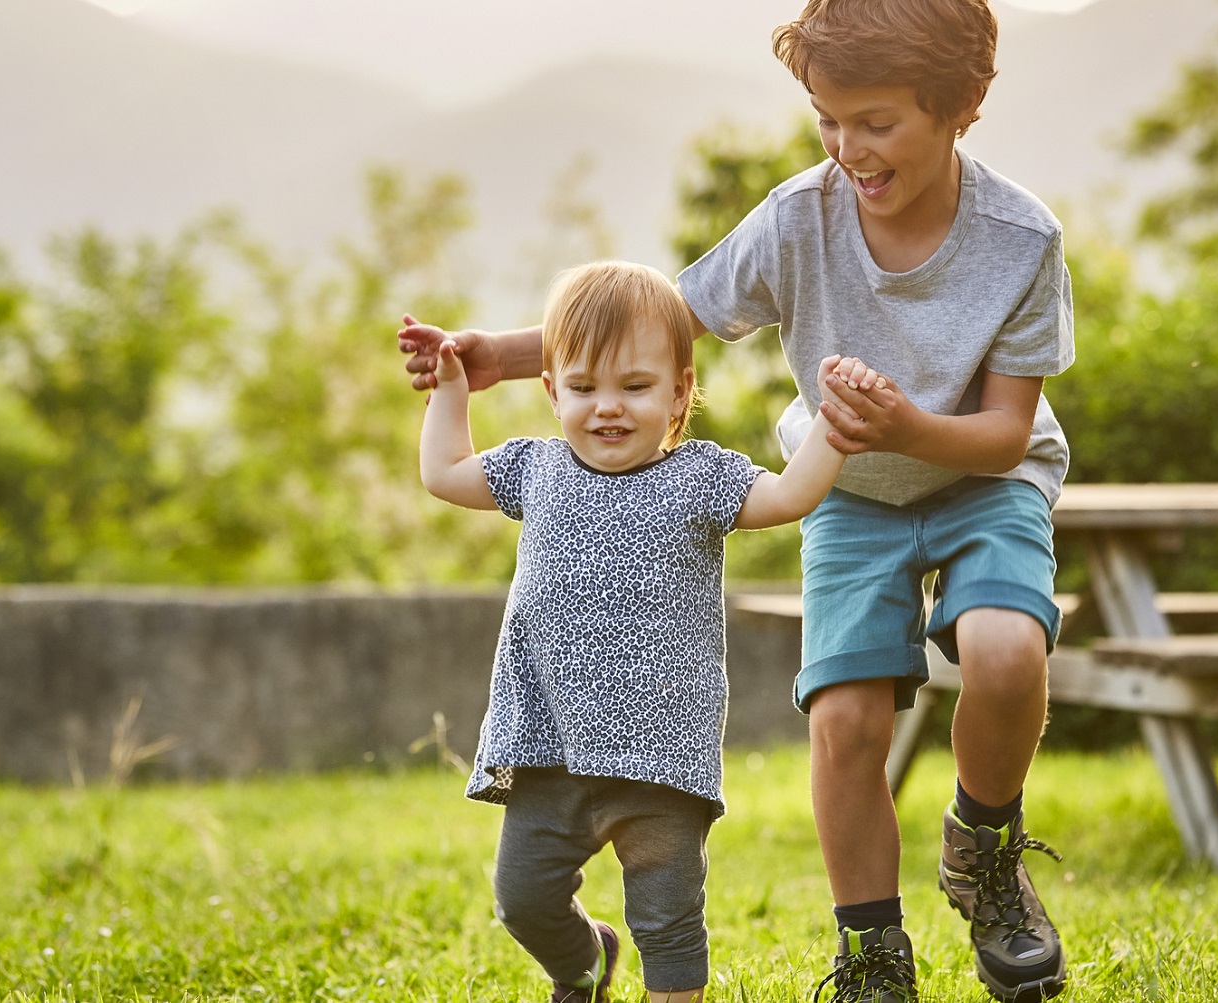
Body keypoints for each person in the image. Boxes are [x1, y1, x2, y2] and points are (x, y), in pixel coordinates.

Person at [401, 1, 1076, 997]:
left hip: (984, 477)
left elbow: (1005, 432)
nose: (848, 149)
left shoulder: (1020, 239)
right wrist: (498, 355)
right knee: (846, 719)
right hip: (847, 486)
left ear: (959, 107)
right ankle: (872, 951)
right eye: (826, 120)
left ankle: (983, 842)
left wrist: (902, 428)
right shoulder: (798, 217)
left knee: (1006, 651)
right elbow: (663, 315)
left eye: (876, 122)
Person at [419, 260, 848, 1003]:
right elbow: (445, 470)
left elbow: (788, 494)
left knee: (669, 920)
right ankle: (584, 963)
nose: (606, 407)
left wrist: (835, 429)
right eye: (583, 387)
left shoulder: (702, 477)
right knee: (522, 899)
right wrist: (452, 386)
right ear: (551, 390)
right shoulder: (535, 468)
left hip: (662, 758)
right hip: (548, 747)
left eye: (635, 386)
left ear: (680, 390)